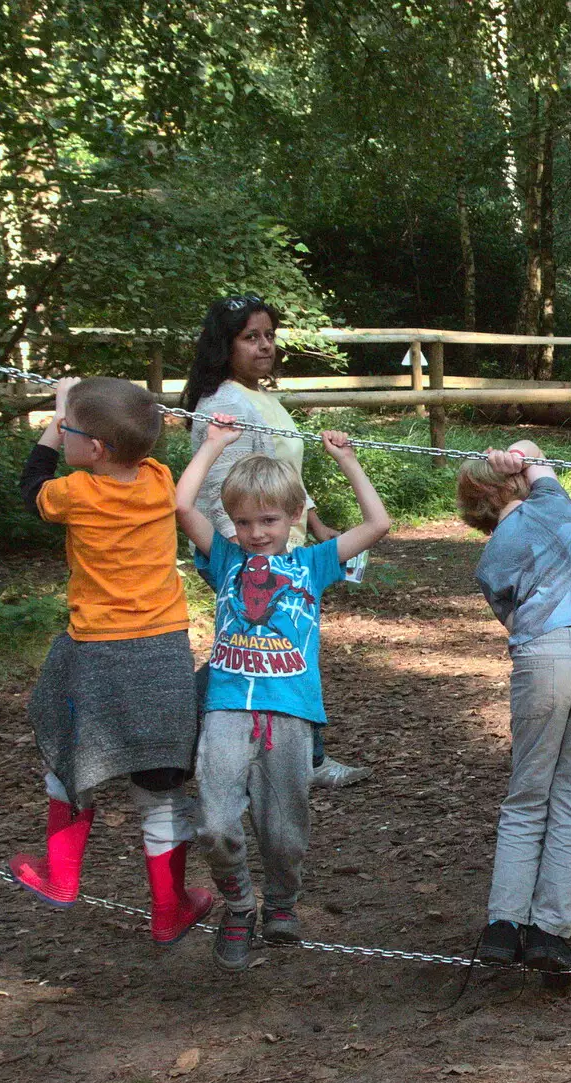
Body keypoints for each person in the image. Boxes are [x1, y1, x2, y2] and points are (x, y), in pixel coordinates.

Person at [175, 415, 391, 970]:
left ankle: (282, 903)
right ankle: (240, 906)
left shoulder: (311, 564)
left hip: (292, 714)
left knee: (285, 832)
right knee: (215, 824)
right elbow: (180, 507)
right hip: (225, 708)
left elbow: (378, 523)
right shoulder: (225, 560)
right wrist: (216, 444)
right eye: (243, 522)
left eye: (268, 520)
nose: (255, 533)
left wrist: (346, 459)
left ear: (294, 517)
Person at [11, 377, 212, 945]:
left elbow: (32, 488)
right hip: (162, 650)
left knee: (70, 764)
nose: (62, 432)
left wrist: (56, 415)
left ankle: (61, 878)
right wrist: (74, 414)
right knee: (161, 781)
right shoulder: (158, 479)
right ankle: (170, 909)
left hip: (97, 650)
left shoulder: (75, 492)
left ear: (94, 448)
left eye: (71, 429)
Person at [183, 294, 372, 789]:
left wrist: (311, 522)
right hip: (244, 549)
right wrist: (246, 554)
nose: (265, 346)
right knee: (264, 638)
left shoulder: (259, 395)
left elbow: (278, 476)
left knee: (267, 640)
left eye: (269, 335)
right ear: (225, 346)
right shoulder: (224, 403)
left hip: (273, 542)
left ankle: (289, 751)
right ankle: (291, 756)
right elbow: (220, 490)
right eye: (251, 338)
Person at [456, 441, 571, 983]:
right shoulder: (552, 502)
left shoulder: (490, 560)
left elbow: (512, 618)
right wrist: (521, 457)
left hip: (540, 658)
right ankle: (551, 931)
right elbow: (537, 455)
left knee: (528, 793)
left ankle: (504, 925)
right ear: (513, 482)